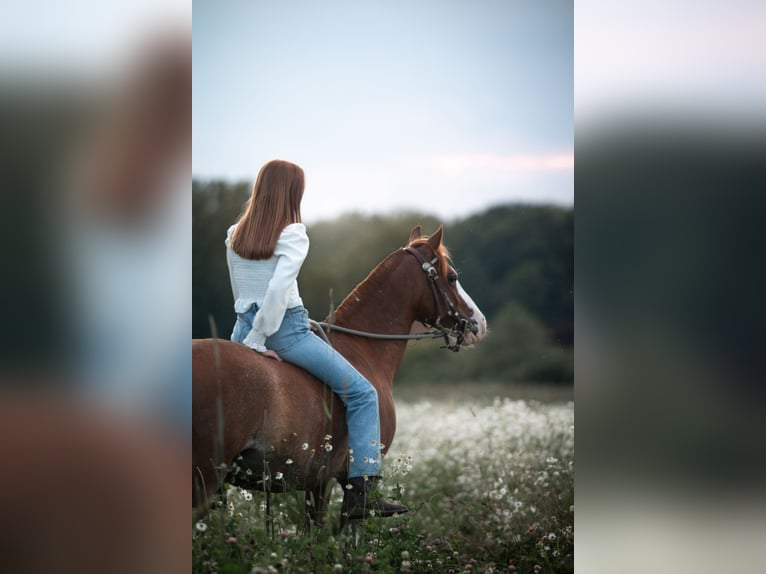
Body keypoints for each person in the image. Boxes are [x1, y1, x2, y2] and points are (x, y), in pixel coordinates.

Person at [225, 159, 409, 519]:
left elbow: (246, 292)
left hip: (241, 328)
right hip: (282, 332)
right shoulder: (294, 233)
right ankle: (364, 493)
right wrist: (261, 339)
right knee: (363, 393)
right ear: (294, 192)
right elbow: (276, 289)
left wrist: (249, 335)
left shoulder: (234, 233)